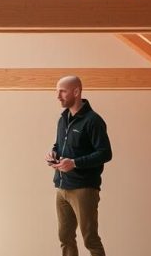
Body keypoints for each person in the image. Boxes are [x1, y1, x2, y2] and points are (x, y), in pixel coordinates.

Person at [45, 75, 112, 256]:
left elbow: (105, 153)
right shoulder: (63, 119)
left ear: (76, 92)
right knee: (65, 238)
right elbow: (59, 145)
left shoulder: (93, 120)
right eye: (57, 91)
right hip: (61, 187)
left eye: (62, 91)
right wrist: (53, 153)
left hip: (84, 188)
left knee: (90, 238)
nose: (58, 96)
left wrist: (74, 163)